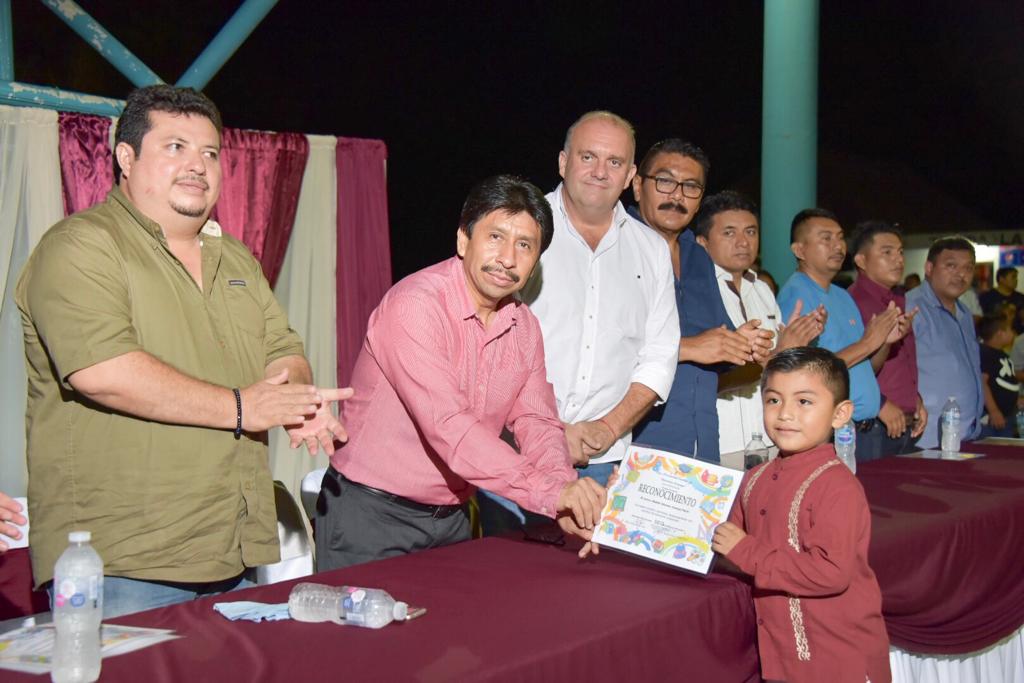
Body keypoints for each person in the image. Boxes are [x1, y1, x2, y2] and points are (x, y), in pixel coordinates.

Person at [16, 85, 350, 617]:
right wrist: (243, 407)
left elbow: (282, 348)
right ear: (126, 158)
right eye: (175, 147)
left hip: (234, 546)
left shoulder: (234, 257)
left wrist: (294, 399)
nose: (197, 165)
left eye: (209, 153)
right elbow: (102, 371)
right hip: (123, 560)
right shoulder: (81, 246)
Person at [315, 175, 606, 570]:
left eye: (525, 245)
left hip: (452, 518)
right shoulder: (415, 306)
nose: (508, 258)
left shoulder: (524, 327)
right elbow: (451, 429)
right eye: (496, 237)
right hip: (370, 517)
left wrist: (564, 489)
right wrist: (550, 494)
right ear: (463, 240)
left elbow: (537, 421)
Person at [712, 347, 891, 683]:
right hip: (780, 657)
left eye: (804, 401)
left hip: (837, 661)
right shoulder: (754, 479)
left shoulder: (838, 486)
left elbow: (831, 573)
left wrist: (745, 550)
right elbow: (725, 545)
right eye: (773, 400)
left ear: (840, 414)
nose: (785, 414)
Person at [519, 113, 680, 484]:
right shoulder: (519, 228)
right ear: (563, 162)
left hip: (604, 460)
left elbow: (659, 355)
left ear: (630, 176)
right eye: (588, 156)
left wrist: (608, 429)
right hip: (517, 455)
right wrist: (549, 433)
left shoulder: (652, 250)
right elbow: (487, 344)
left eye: (615, 162)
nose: (600, 172)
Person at [625, 139, 773, 464]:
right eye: (665, 181)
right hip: (635, 447)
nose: (677, 195)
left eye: (691, 187)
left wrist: (742, 345)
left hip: (703, 445)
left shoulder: (699, 257)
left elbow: (717, 349)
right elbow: (600, 351)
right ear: (637, 186)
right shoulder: (615, 249)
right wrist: (690, 348)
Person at [693, 191, 824, 462]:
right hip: (719, 440)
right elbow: (702, 379)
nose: (743, 242)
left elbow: (778, 365)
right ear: (702, 242)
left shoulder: (762, 289)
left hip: (766, 438)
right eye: (729, 233)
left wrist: (797, 343)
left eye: (751, 232)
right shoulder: (694, 292)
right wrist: (781, 353)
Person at [778, 209, 908, 462]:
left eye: (839, 238)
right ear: (800, 250)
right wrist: (868, 342)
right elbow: (806, 372)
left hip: (866, 431)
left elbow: (866, 367)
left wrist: (883, 342)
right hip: (832, 434)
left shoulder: (842, 296)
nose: (838, 246)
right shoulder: (797, 295)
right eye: (826, 238)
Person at [848, 221, 927, 455]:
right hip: (874, 424)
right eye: (887, 252)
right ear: (861, 260)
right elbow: (848, 365)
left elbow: (903, 361)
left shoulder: (898, 300)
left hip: (905, 420)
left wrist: (915, 399)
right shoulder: (852, 302)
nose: (898, 259)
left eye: (900, 252)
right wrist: (880, 403)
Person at [906, 236, 985, 448]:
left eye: (968, 268)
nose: (961, 274)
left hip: (966, 434)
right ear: (929, 268)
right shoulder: (911, 308)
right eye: (951, 266)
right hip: (926, 438)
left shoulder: (964, 313)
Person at [978, 314, 1020, 438]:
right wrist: (993, 410)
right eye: (1010, 330)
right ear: (1000, 333)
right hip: (992, 418)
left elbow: (1004, 383)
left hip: (1007, 415)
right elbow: (982, 382)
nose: (1013, 333)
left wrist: (1015, 399)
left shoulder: (1002, 355)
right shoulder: (986, 353)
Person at [979, 266, 1024, 333]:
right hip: (994, 334)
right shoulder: (987, 297)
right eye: (1013, 277)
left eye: (1016, 277)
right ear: (1001, 279)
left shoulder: (1020, 297)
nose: (1016, 280)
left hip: (1018, 334)